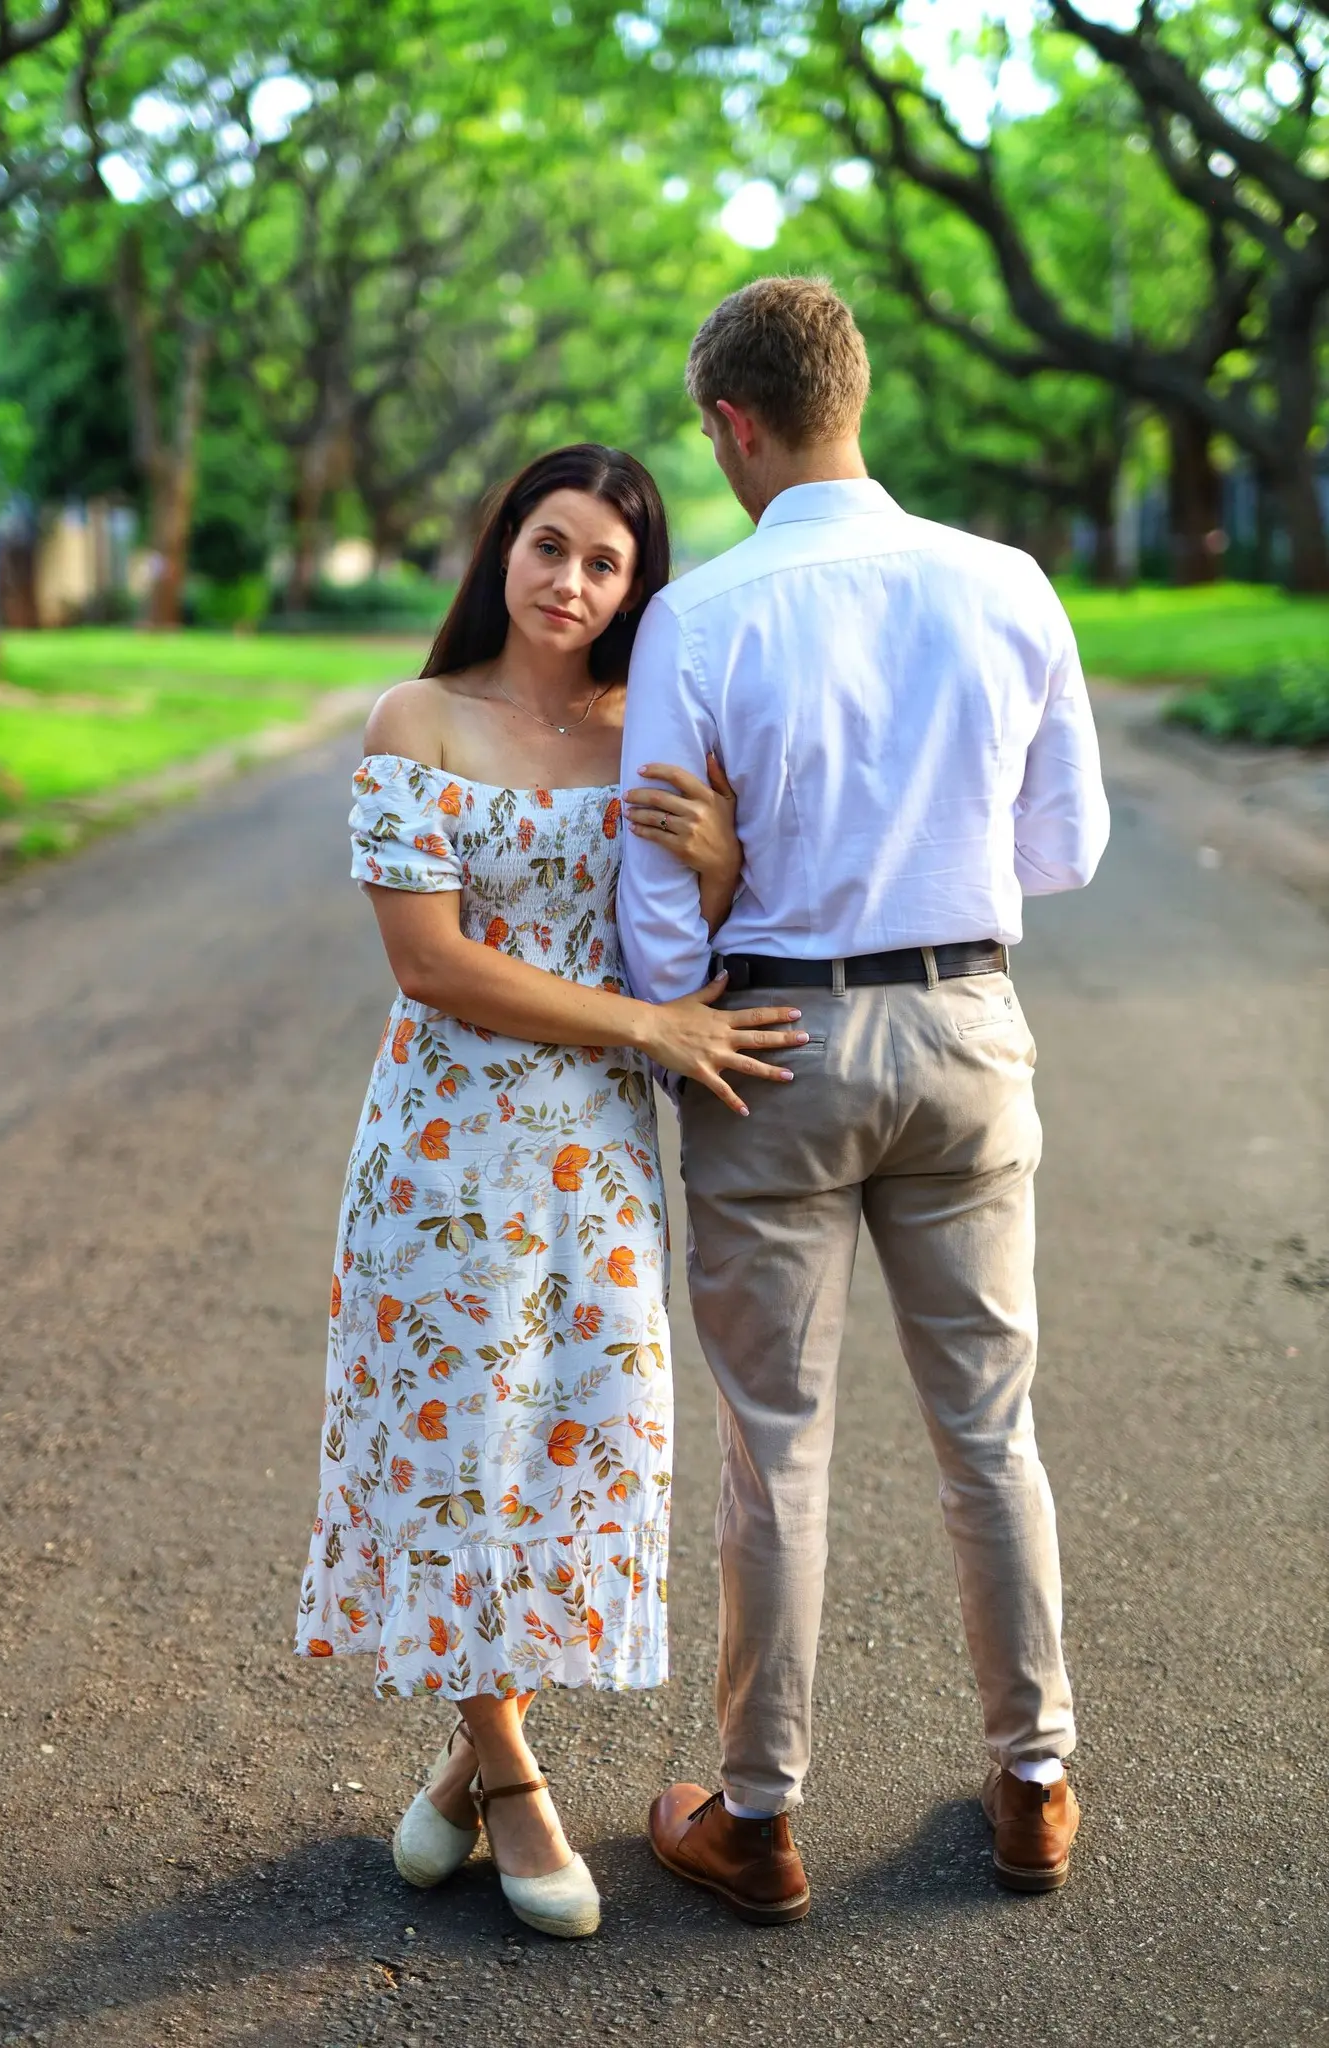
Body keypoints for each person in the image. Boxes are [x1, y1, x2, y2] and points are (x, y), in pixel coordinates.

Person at [617, 278, 1110, 1924]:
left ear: (733, 423)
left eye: (712, 432)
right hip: (970, 1029)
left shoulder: (709, 611)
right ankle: (1034, 1786)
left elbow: (661, 910)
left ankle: (757, 1820)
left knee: (779, 1454)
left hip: (775, 1045)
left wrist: (749, 889)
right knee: (989, 1429)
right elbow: (1064, 853)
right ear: (860, 395)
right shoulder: (1005, 582)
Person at [295, 442, 807, 1940]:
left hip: (596, 1170)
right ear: (501, 545)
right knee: (462, 1457)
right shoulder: (421, 718)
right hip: (444, 1155)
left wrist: (716, 869)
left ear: (636, 589)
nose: (572, 583)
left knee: (579, 1444)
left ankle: (462, 1768)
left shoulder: (651, 728)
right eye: (551, 546)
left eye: (606, 564)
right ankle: (517, 1784)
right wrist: (649, 1027)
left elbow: (687, 946)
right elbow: (431, 962)